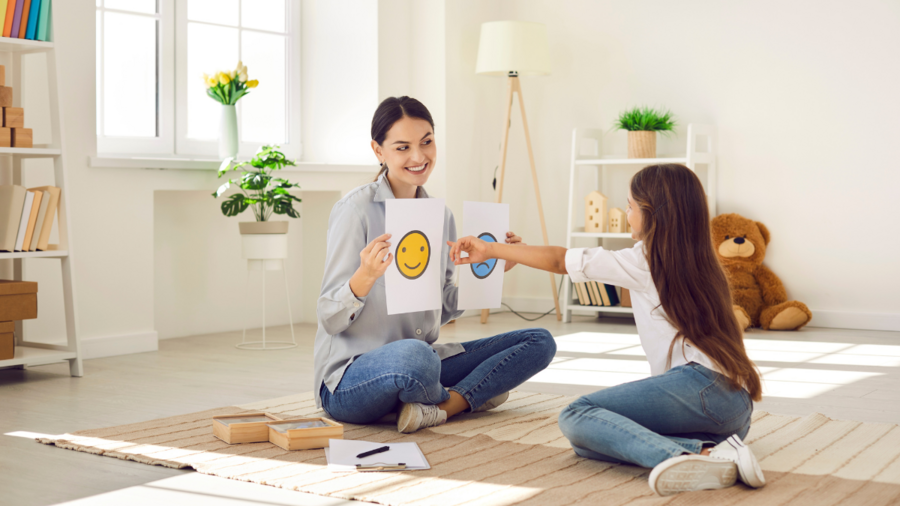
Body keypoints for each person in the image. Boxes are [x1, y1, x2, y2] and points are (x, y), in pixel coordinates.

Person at [449, 164, 766, 496]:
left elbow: (562, 261)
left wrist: (491, 249)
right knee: (593, 440)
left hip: (701, 390)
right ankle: (719, 452)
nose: (627, 214)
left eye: (630, 206)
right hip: (735, 412)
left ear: (653, 213)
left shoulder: (647, 260)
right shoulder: (704, 261)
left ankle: (694, 455)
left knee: (578, 414)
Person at [314, 96, 556, 434]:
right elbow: (328, 316)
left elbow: (441, 307)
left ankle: (444, 405)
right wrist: (364, 277)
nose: (419, 157)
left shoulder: (440, 216)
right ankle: (473, 395)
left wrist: (492, 268)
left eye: (427, 142)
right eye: (402, 147)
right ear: (378, 151)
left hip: (423, 363)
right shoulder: (354, 211)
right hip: (350, 380)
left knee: (539, 341)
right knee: (417, 357)